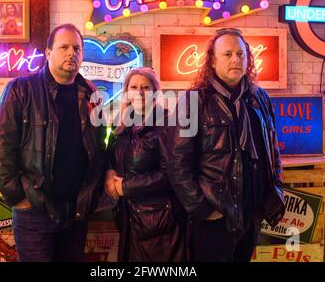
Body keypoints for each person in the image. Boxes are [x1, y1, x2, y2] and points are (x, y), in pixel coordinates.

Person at [0, 23, 107, 262]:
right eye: (64, 47)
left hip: (75, 210)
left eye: (77, 48)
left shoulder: (90, 94)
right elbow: (0, 146)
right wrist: (17, 197)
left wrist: (90, 196)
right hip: (34, 209)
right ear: (48, 53)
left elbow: (99, 147)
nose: (71, 53)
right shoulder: (21, 90)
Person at [167, 28, 285, 262]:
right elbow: (177, 163)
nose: (236, 60)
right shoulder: (194, 100)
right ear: (212, 60)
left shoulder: (259, 98)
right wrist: (202, 210)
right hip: (214, 216)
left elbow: (273, 151)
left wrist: (275, 192)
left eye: (241, 54)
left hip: (252, 214)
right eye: (228, 54)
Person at [104, 67, 187, 262]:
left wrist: (124, 187)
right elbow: (109, 155)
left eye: (145, 88)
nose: (139, 93)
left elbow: (171, 175)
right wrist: (109, 173)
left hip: (159, 223)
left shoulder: (168, 123)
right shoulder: (123, 125)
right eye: (133, 87)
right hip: (129, 219)